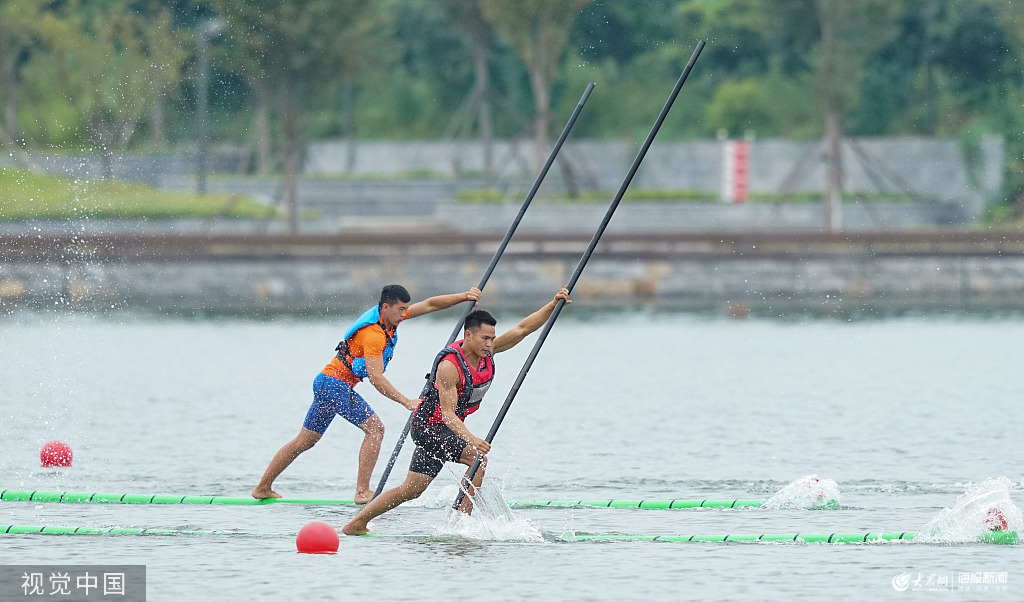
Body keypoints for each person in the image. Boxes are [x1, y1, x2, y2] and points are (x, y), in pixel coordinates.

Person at [342, 287, 571, 535]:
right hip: (428, 427)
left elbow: (523, 329)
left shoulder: (487, 352)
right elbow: (448, 414)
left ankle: (356, 524)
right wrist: (472, 439)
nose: (489, 344)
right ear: (468, 335)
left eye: (492, 339)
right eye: (484, 338)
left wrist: (552, 305)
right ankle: (460, 524)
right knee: (477, 459)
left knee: (412, 489)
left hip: (445, 429)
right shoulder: (449, 366)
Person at [252, 284, 481, 503]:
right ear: (385, 307)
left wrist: (464, 297)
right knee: (375, 429)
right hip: (333, 385)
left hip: (326, 383)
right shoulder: (374, 335)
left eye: (405, 309)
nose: (404, 314)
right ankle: (362, 491)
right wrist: (406, 401)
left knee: (305, 440)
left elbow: (430, 304)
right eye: (400, 309)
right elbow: (376, 378)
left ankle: (262, 487)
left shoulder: (390, 319)